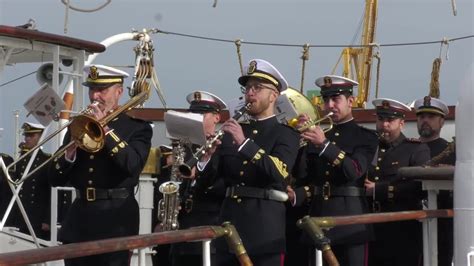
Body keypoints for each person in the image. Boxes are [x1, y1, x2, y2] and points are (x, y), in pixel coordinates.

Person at [198, 59, 300, 266]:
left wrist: (244, 143)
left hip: (264, 230)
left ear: (273, 96)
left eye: (257, 88)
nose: (250, 93)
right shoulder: (232, 132)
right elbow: (210, 183)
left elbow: (279, 172)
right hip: (229, 226)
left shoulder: (286, 134)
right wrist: (205, 160)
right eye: (247, 88)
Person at [48, 64, 153, 266]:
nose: (95, 96)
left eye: (102, 90)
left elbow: (133, 166)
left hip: (115, 220)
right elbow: (54, 178)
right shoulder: (78, 125)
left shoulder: (136, 128)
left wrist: (105, 130)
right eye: (92, 89)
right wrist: (68, 154)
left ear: (119, 92)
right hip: (79, 222)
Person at [292, 75, 378, 266]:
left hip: (351, 221)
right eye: (326, 100)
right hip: (318, 216)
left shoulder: (365, 137)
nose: (330, 105)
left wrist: (324, 145)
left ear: (350, 101)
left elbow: (354, 171)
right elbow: (301, 175)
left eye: (335, 99)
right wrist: (300, 142)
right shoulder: (320, 134)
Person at [365, 98, 431, 266]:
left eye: (390, 120)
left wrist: (377, 190)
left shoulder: (415, 149)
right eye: (380, 119)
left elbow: (419, 186)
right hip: (368, 227)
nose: (384, 125)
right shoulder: (368, 148)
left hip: (401, 229)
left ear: (401, 123)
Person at [169, 90, 227, 266]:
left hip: (209, 227)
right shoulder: (183, 147)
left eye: (202, 113)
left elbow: (222, 185)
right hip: (181, 228)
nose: (197, 117)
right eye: (193, 113)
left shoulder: (224, 148)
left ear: (216, 117)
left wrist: (200, 171)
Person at [414, 95, 454, 266]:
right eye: (422, 117)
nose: (425, 121)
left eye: (431, 117)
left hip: (442, 222)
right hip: (411, 222)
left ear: (442, 122)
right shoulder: (408, 149)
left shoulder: (450, 151)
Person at [0, 122, 51, 239]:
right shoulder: (21, 161)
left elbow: (50, 191)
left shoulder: (47, 160)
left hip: (37, 217)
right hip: (20, 215)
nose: (27, 138)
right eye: (26, 135)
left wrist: (48, 219)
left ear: (41, 137)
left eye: (31, 136)